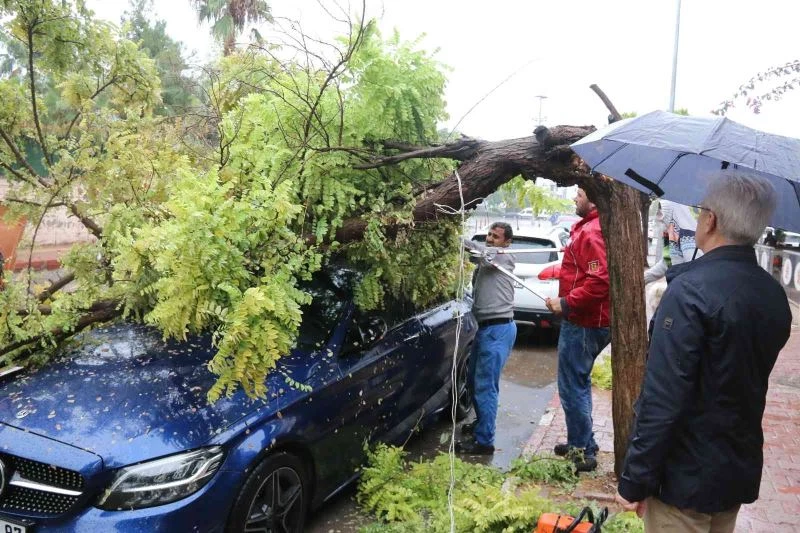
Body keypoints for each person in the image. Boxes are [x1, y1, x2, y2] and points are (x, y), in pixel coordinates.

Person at [615, 173, 792, 532]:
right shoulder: (773, 295)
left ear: (710, 220)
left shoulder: (689, 293)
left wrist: (635, 479)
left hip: (682, 481)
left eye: (700, 212)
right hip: (734, 471)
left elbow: (663, 398)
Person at [544, 188, 611, 472]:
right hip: (588, 319)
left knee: (573, 386)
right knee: (577, 384)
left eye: (580, 194)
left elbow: (600, 281)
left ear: (593, 198)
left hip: (585, 322)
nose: (575, 198)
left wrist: (565, 303)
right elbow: (585, 272)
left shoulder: (592, 231)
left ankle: (582, 451)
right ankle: (581, 442)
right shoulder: (589, 227)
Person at [458, 222, 517, 455]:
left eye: (496, 236)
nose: (490, 239)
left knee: (485, 387)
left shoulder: (502, 257)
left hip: (498, 330)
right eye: (489, 235)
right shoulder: (487, 259)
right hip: (485, 330)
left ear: (507, 242)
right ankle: (482, 424)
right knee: (474, 381)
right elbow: (475, 256)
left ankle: (485, 442)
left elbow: (478, 251)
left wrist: (453, 238)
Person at [644, 200, 702, 284]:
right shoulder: (673, 234)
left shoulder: (687, 237)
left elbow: (697, 272)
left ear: (672, 215)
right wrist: (644, 278)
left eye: (662, 215)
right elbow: (667, 261)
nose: (661, 221)